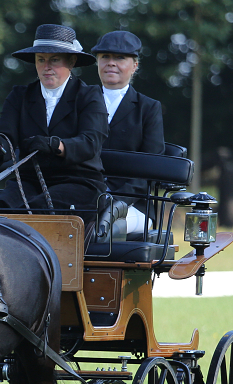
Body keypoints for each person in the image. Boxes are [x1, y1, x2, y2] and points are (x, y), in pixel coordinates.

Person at [0, 24, 108, 225]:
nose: (46, 66)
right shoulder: (20, 96)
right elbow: (5, 133)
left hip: (79, 183)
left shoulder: (89, 96)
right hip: (28, 182)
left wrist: (56, 145)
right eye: (41, 60)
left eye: (54, 60)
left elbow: (90, 142)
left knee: (34, 212)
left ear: (72, 61)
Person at [91, 31, 164, 233]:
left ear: (134, 66)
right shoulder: (80, 101)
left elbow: (150, 167)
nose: (111, 63)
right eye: (105, 57)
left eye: (120, 58)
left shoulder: (148, 108)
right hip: (84, 197)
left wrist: (115, 200)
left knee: (103, 226)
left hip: (134, 205)